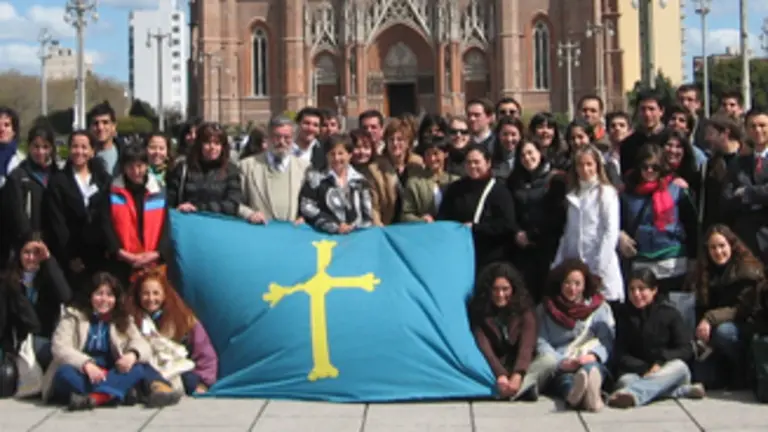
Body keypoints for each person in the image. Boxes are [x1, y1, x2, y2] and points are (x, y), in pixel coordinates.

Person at [42, 272, 179, 410]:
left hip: (110, 371)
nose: (104, 299)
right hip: (82, 372)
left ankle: (96, 398)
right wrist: (86, 365)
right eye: (99, 294)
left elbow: (141, 343)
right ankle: (117, 392)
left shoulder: (122, 318)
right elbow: (60, 347)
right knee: (64, 374)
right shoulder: (73, 316)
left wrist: (132, 355)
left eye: (109, 295)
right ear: (90, 295)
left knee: (137, 368)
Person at [608, 269, 705, 408]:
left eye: (642, 289)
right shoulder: (623, 315)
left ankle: (633, 395)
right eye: (632, 289)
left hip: (666, 370)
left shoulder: (669, 313)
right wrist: (645, 369)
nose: (636, 294)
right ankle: (680, 391)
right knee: (625, 382)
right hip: (638, 371)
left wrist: (660, 362)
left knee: (680, 367)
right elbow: (620, 353)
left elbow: (686, 349)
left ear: (654, 290)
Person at [536, 259, 615, 412]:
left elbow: (606, 339)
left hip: (588, 357)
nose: (572, 289)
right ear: (560, 283)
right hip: (562, 361)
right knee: (564, 379)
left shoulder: (599, 307)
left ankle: (593, 394)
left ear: (585, 285)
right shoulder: (545, 309)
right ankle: (573, 394)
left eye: (577, 284)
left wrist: (594, 356)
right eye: (567, 283)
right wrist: (561, 362)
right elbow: (541, 341)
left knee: (592, 369)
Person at [619, 143, 698, 296]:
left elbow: (692, 226)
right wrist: (620, 235)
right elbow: (618, 222)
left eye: (655, 167)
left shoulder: (677, 189)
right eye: (645, 166)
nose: (649, 171)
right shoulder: (627, 193)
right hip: (640, 259)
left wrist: (693, 261)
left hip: (672, 260)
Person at [469, 263, 555, 401]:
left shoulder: (525, 310)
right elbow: (484, 347)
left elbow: (526, 346)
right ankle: (521, 390)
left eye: (505, 289)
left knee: (549, 360)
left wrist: (518, 374)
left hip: (522, 365)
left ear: (513, 289)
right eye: (495, 289)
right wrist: (500, 374)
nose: (500, 294)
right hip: (495, 365)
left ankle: (516, 390)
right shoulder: (480, 312)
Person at [689, 225, 761, 390]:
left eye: (722, 246)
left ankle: (742, 373)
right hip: (712, 329)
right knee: (701, 376)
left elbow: (742, 309)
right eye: (713, 247)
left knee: (725, 333)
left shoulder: (747, 270)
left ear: (732, 245)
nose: (718, 251)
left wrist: (709, 318)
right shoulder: (705, 271)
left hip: (743, 325)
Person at [126, 267, 217, 395]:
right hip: (149, 370)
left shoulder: (184, 319)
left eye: (156, 293)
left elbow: (205, 353)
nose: (151, 298)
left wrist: (204, 383)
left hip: (178, 370)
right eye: (145, 293)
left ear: (164, 294)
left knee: (189, 380)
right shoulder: (131, 320)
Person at [553, 146, 624, 304]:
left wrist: (598, 270)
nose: (585, 169)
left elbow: (610, 232)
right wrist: (558, 264)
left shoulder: (606, 193)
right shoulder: (573, 195)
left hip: (599, 268)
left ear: (597, 166)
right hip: (576, 271)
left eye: (589, 164)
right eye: (580, 164)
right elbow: (569, 234)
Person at [43, 130, 111, 292]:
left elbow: (109, 215)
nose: (79, 151)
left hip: (101, 255)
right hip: (73, 257)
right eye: (75, 147)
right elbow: (57, 222)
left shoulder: (103, 179)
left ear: (92, 151)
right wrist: (70, 256)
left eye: (84, 147)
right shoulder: (58, 181)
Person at [438, 144, 519, 270]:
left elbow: (507, 225)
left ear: (488, 163)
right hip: (460, 254)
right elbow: (443, 217)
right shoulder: (455, 189)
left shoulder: (500, 191)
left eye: (477, 162)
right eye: (469, 162)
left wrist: (476, 228)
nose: (472, 166)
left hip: (489, 258)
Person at [0, 235, 71, 373]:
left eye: (36, 253)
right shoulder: (8, 282)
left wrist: (49, 260)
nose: (31, 258)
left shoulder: (48, 276)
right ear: (18, 254)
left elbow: (66, 295)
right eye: (27, 253)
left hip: (45, 339)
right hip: (19, 341)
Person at [506, 140, 566, 301]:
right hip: (520, 248)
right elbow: (510, 211)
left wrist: (533, 235)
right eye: (523, 155)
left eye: (530, 152)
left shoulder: (556, 180)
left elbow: (557, 215)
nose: (527, 158)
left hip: (547, 247)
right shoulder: (514, 181)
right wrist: (517, 231)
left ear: (540, 153)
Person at [102, 145, 167, 284]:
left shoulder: (159, 192)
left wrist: (157, 253)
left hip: (153, 263)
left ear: (146, 165)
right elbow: (106, 225)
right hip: (122, 263)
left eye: (140, 166)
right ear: (123, 167)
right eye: (130, 166)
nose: (136, 171)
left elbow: (166, 226)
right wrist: (121, 253)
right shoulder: (112, 191)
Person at [239, 115, 309, 224]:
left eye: (287, 137)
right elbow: (236, 202)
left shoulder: (305, 168)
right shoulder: (247, 166)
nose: (281, 141)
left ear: (293, 139)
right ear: (268, 138)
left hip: (292, 233)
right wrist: (249, 214)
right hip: (259, 232)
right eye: (276, 136)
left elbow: (311, 203)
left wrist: (305, 217)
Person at [299, 134, 374, 234]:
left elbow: (367, 214)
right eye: (332, 154)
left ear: (349, 155)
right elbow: (307, 207)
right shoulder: (315, 179)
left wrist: (353, 228)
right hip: (325, 237)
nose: (336, 158)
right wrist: (334, 226)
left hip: (356, 238)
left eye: (340, 153)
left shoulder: (360, 180)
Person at [2, 124, 59, 257]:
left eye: (45, 147)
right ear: (29, 147)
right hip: (27, 246)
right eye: (36, 146)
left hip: (53, 244)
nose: (40, 152)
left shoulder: (57, 175)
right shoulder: (18, 176)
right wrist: (30, 238)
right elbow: (17, 214)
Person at [166, 122, 243, 216]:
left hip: (217, 226)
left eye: (217, 143)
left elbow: (233, 204)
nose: (212, 147)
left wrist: (199, 208)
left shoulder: (231, 170)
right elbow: (170, 199)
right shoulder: (183, 168)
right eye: (207, 143)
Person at [400, 137, 459, 223]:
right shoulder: (414, 183)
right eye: (428, 154)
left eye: (436, 154)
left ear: (445, 154)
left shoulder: (455, 181)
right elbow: (405, 215)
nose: (432, 158)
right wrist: (420, 220)